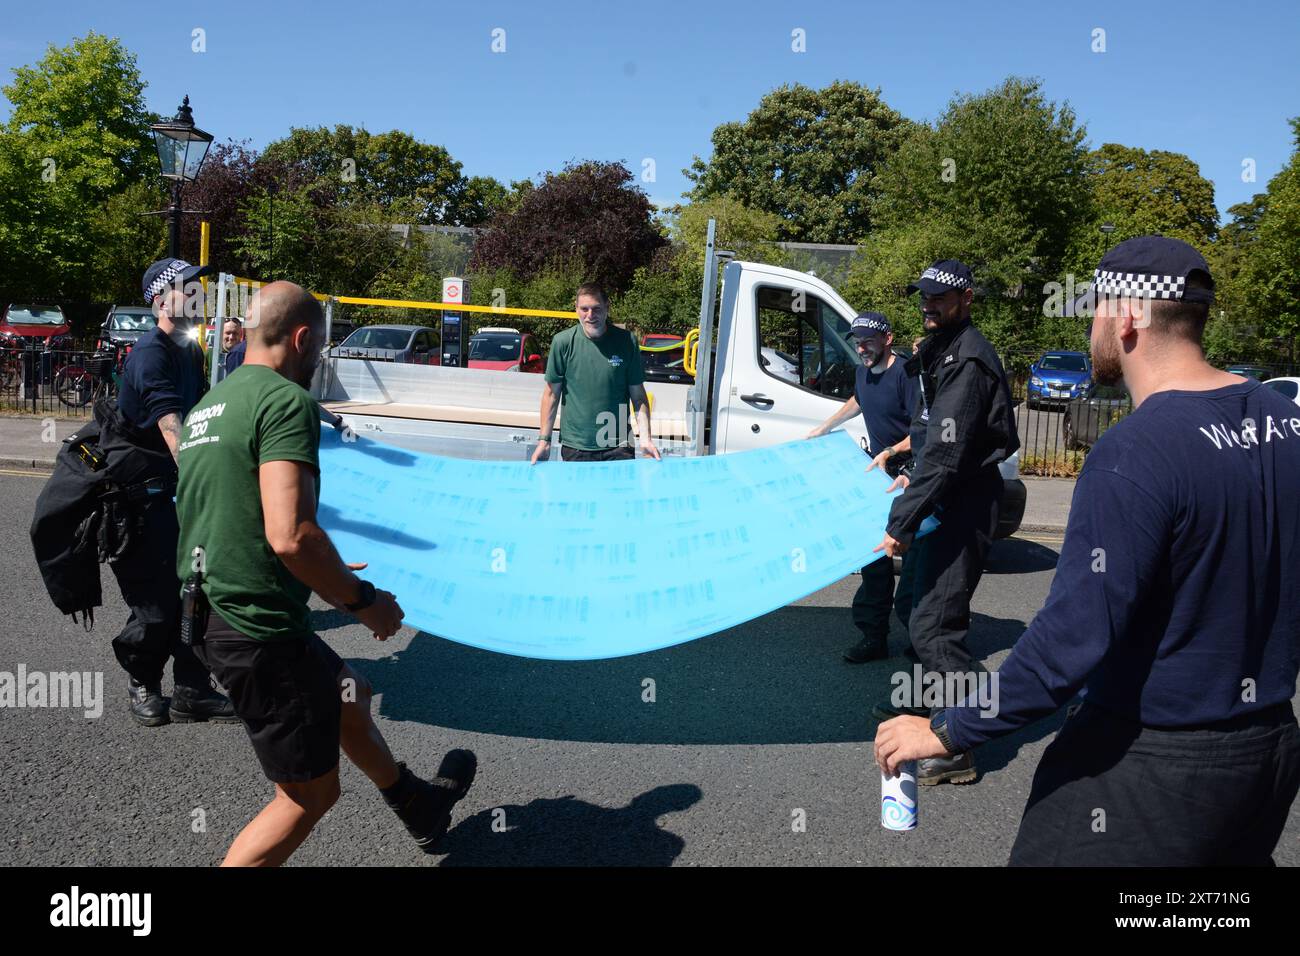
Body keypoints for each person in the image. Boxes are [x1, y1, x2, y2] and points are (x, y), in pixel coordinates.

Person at [876, 236, 1300, 865]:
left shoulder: (1136, 451)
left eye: (1097, 307)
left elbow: (1068, 642)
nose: (1095, 323)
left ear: (1127, 315)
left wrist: (946, 728)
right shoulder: (1284, 422)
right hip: (1269, 750)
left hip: (1151, 761)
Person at [174, 281, 477, 866]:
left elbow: (225, 512)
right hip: (256, 627)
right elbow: (289, 535)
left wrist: (323, 560)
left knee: (350, 693)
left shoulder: (211, 405)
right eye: (321, 348)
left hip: (212, 607)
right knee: (308, 795)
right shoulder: (286, 402)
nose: (318, 361)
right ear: (303, 338)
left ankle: (416, 805)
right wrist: (362, 601)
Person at [870, 260, 1019, 786]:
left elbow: (950, 453)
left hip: (966, 501)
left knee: (935, 626)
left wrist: (900, 524)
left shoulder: (971, 360)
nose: (928, 305)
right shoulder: (943, 348)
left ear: (966, 299)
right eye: (924, 297)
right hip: (943, 497)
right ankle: (929, 715)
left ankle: (963, 739)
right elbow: (929, 428)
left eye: (939, 298)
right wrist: (912, 475)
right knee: (914, 609)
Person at [109, 258, 236, 726]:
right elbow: (174, 432)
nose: (199, 298)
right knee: (158, 606)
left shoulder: (188, 350)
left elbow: (202, 416)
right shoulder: (150, 354)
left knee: (196, 592)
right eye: (189, 290)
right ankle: (143, 681)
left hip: (177, 494)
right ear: (162, 301)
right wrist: (212, 486)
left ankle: (192, 688)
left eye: (201, 289)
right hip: (139, 500)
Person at [806, 312, 917, 663]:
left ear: (887, 338)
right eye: (857, 340)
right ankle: (874, 638)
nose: (861, 347)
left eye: (868, 340)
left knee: (916, 562)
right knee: (874, 557)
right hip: (877, 475)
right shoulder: (863, 372)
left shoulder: (907, 374)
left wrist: (892, 451)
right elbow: (859, 399)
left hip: (910, 475)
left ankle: (922, 639)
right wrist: (823, 428)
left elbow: (925, 429)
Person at [531, 283, 660, 463]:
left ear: (607, 308)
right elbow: (551, 395)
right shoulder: (563, 342)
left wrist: (646, 439)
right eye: (584, 309)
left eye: (596, 309)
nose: (590, 315)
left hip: (619, 446)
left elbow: (638, 396)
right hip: (576, 447)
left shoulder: (626, 341)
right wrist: (544, 441)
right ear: (576, 309)